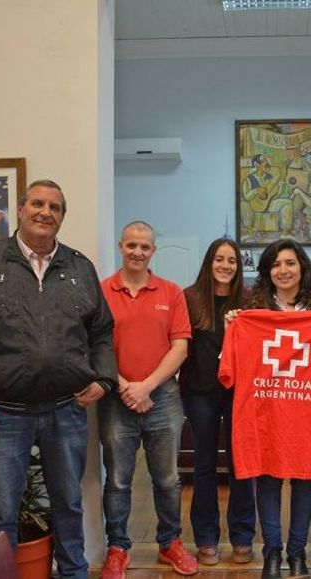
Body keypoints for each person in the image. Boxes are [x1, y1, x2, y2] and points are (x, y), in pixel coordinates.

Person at [0, 179, 116, 579]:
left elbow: (102, 331)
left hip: (65, 409)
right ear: (20, 210)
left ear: (61, 217)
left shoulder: (79, 267)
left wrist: (105, 378)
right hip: (3, 414)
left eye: (54, 207)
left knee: (68, 504)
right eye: (37, 203)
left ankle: (73, 572)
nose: (45, 212)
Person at [224, 238, 311, 579]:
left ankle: (298, 551)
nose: (283, 270)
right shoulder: (253, 313)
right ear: (268, 272)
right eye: (276, 264)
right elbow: (230, 365)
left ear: (302, 268)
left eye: (290, 263)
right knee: (269, 481)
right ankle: (272, 552)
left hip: (308, 417)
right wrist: (233, 327)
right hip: (268, 415)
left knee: (306, 482)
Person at [99, 221, 198, 579]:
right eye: (131, 245)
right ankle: (117, 548)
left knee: (168, 479)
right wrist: (126, 386)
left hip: (164, 398)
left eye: (145, 246)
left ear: (153, 251)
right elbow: (97, 349)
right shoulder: (101, 292)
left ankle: (170, 543)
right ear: (120, 246)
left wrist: (146, 387)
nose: (138, 252)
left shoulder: (171, 293)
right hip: (115, 399)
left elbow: (181, 347)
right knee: (118, 481)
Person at [179, 238, 256, 566]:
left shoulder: (250, 300)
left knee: (243, 466)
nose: (226, 266)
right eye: (220, 259)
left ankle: (242, 536)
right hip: (200, 393)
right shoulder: (190, 299)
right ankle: (206, 538)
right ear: (209, 262)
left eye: (232, 261)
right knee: (204, 466)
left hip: (240, 393)